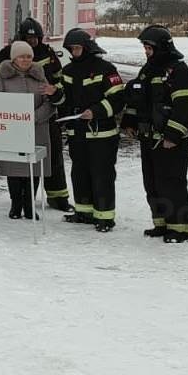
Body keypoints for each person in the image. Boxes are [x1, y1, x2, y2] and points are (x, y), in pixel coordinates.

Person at [120, 25, 188, 243]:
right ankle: (162, 224)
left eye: (149, 48)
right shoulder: (147, 71)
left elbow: (185, 108)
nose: (146, 52)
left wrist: (172, 136)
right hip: (149, 139)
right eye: (145, 48)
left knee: (172, 184)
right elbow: (137, 100)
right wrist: (129, 120)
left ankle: (181, 229)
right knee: (153, 184)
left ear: (162, 48)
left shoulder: (179, 72)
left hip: (170, 142)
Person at [0, 16, 70, 212]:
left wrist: (55, 99)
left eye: (36, 39)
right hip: (14, 123)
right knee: (16, 162)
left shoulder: (48, 53)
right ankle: (19, 203)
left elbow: (60, 82)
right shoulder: (5, 54)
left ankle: (58, 197)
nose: (33, 43)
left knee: (51, 159)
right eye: (29, 38)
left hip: (44, 118)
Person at [59, 27, 125, 232]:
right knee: (79, 173)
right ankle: (84, 212)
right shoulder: (68, 71)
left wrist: (95, 112)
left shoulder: (105, 68)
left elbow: (118, 99)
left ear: (87, 47)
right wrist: (55, 95)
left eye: (77, 48)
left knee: (101, 175)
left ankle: (104, 217)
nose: (73, 52)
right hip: (77, 132)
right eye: (71, 49)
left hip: (101, 134)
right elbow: (64, 99)